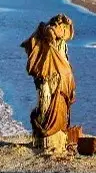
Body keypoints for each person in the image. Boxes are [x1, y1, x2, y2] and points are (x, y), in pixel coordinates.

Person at [21, 14, 75, 153]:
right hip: (49, 78)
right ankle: (46, 141)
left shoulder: (61, 42)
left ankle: (56, 141)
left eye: (63, 27)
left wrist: (65, 24)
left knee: (58, 105)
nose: (62, 29)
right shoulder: (47, 32)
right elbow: (50, 34)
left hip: (60, 79)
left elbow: (68, 34)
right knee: (45, 104)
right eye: (60, 26)